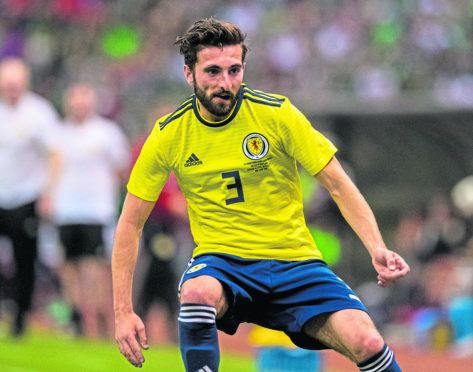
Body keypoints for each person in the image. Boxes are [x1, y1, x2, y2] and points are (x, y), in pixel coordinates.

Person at [112, 18, 410, 371]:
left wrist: (376, 247)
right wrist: (123, 312)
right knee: (195, 293)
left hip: (295, 264)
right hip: (224, 265)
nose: (225, 83)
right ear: (188, 74)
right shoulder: (167, 135)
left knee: (368, 341)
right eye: (213, 72)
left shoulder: (277, 114)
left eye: (234, 70)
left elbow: (338, 184)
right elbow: (130, 223)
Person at [47, 83, 129, 338]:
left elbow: (121, 169)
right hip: (66, 209)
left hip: (96, 210)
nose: (79, 106)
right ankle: (76, 317)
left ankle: (97, 317)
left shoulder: (107, 133)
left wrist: (106, 196)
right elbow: (51, 167)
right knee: (68, 266)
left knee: (93, 267)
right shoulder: (58, 133)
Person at [0, 57, 60, 337]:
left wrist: (48, 194)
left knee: (25, 260)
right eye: (7, 83)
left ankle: (20, 319)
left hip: (26, 197)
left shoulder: (39, 112)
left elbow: (55, 154)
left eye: (16, 84)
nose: (11, 89)